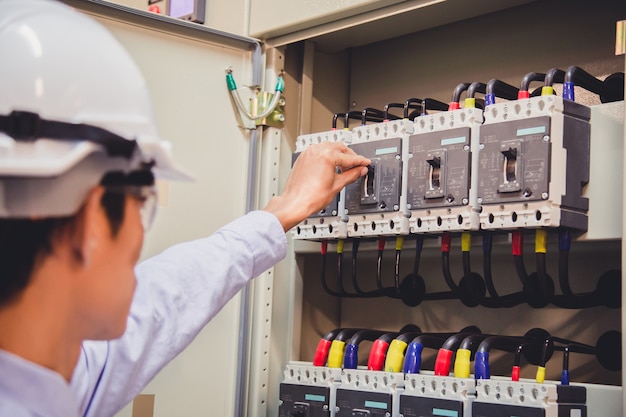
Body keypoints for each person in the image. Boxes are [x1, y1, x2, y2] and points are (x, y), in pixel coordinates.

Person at [0, 1, 370, 416]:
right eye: (144, 205)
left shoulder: (57, 376)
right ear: (93, 220)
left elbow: (164, 298)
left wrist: (281, 212)